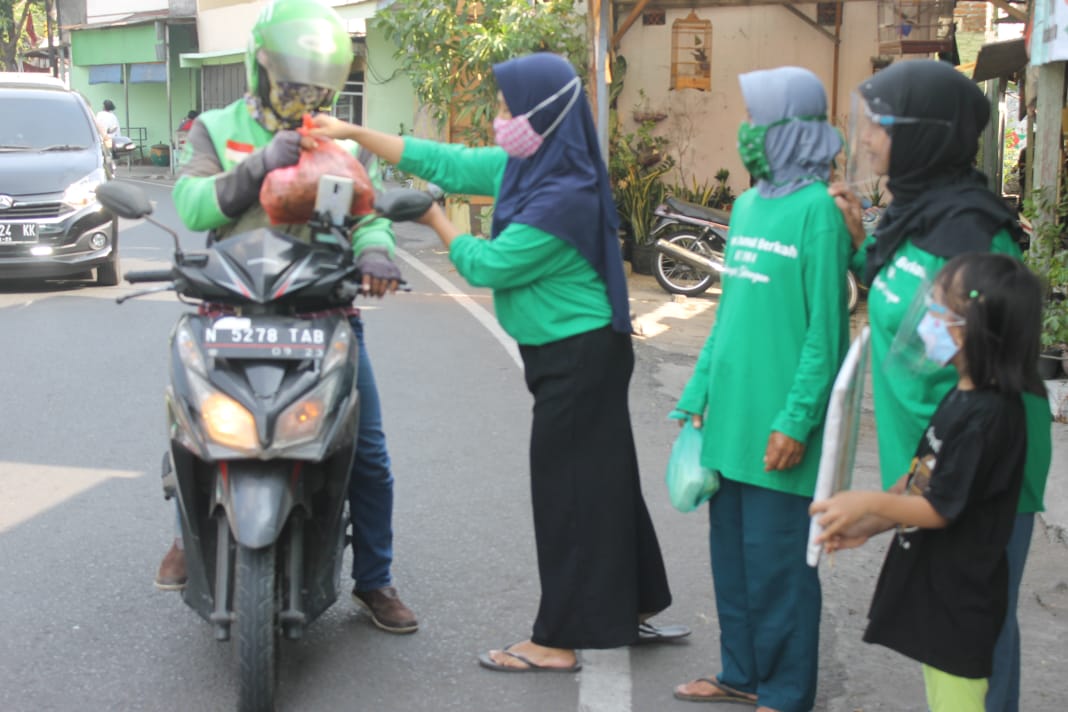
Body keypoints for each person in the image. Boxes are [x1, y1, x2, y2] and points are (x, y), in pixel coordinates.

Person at [310, 51, 679, 671]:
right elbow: (442, 159)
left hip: (577, 358)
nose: (498, 118)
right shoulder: (535, 166)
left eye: (508, 108)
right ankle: (635, 604)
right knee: (604, 484)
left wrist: (432, 216)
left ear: (540, 115)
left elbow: (487, 264)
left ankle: (557, 641)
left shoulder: (561, 196)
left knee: (564, 494)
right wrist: (350, 132)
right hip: (579, 352)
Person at [154, 0, 418, 635]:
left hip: (322, 312)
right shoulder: (216, 128)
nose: (303, 99)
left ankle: (375, 579)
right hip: (231, 311)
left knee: (368, 451)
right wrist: (260, 163)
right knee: (189, 427)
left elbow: (365, 210)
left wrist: (377, 247)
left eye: (315, 89)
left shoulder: (334, 139)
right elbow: (192, 204)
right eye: (292, 83)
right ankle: (189, 538)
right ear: (261, 66)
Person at [828, 58, 1052, 712]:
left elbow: (982, 351)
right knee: (942, 625)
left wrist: (888, 499)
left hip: (982, 456)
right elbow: (900, 303)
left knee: (975, 632)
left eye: (881, 124)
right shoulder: (916, 214)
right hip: (931, 449)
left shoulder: (972, 237)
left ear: (927, 134)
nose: (866, 138)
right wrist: (860, 243)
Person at [671, 67, 852, 711]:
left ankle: (784, 690)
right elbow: (728, 316)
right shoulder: (746, 205)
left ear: (792, 131)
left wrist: (797, 420)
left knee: (781, 572)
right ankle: (740, 674)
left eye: (757, 120)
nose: (746, 131)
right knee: (736, 566)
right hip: (731, 421)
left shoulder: (819, 215)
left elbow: (824, 335)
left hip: (781, 427)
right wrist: (696, 394)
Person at [811, 252, 1044, 712]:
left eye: (938, 311)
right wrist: (872, 521)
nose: (927, 323)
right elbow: (924, 475)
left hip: (962, 606)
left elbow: (940, 507)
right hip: (940, 597)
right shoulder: (962, 396)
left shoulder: (990, 416)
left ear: (972, 329)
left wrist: (863, 503)